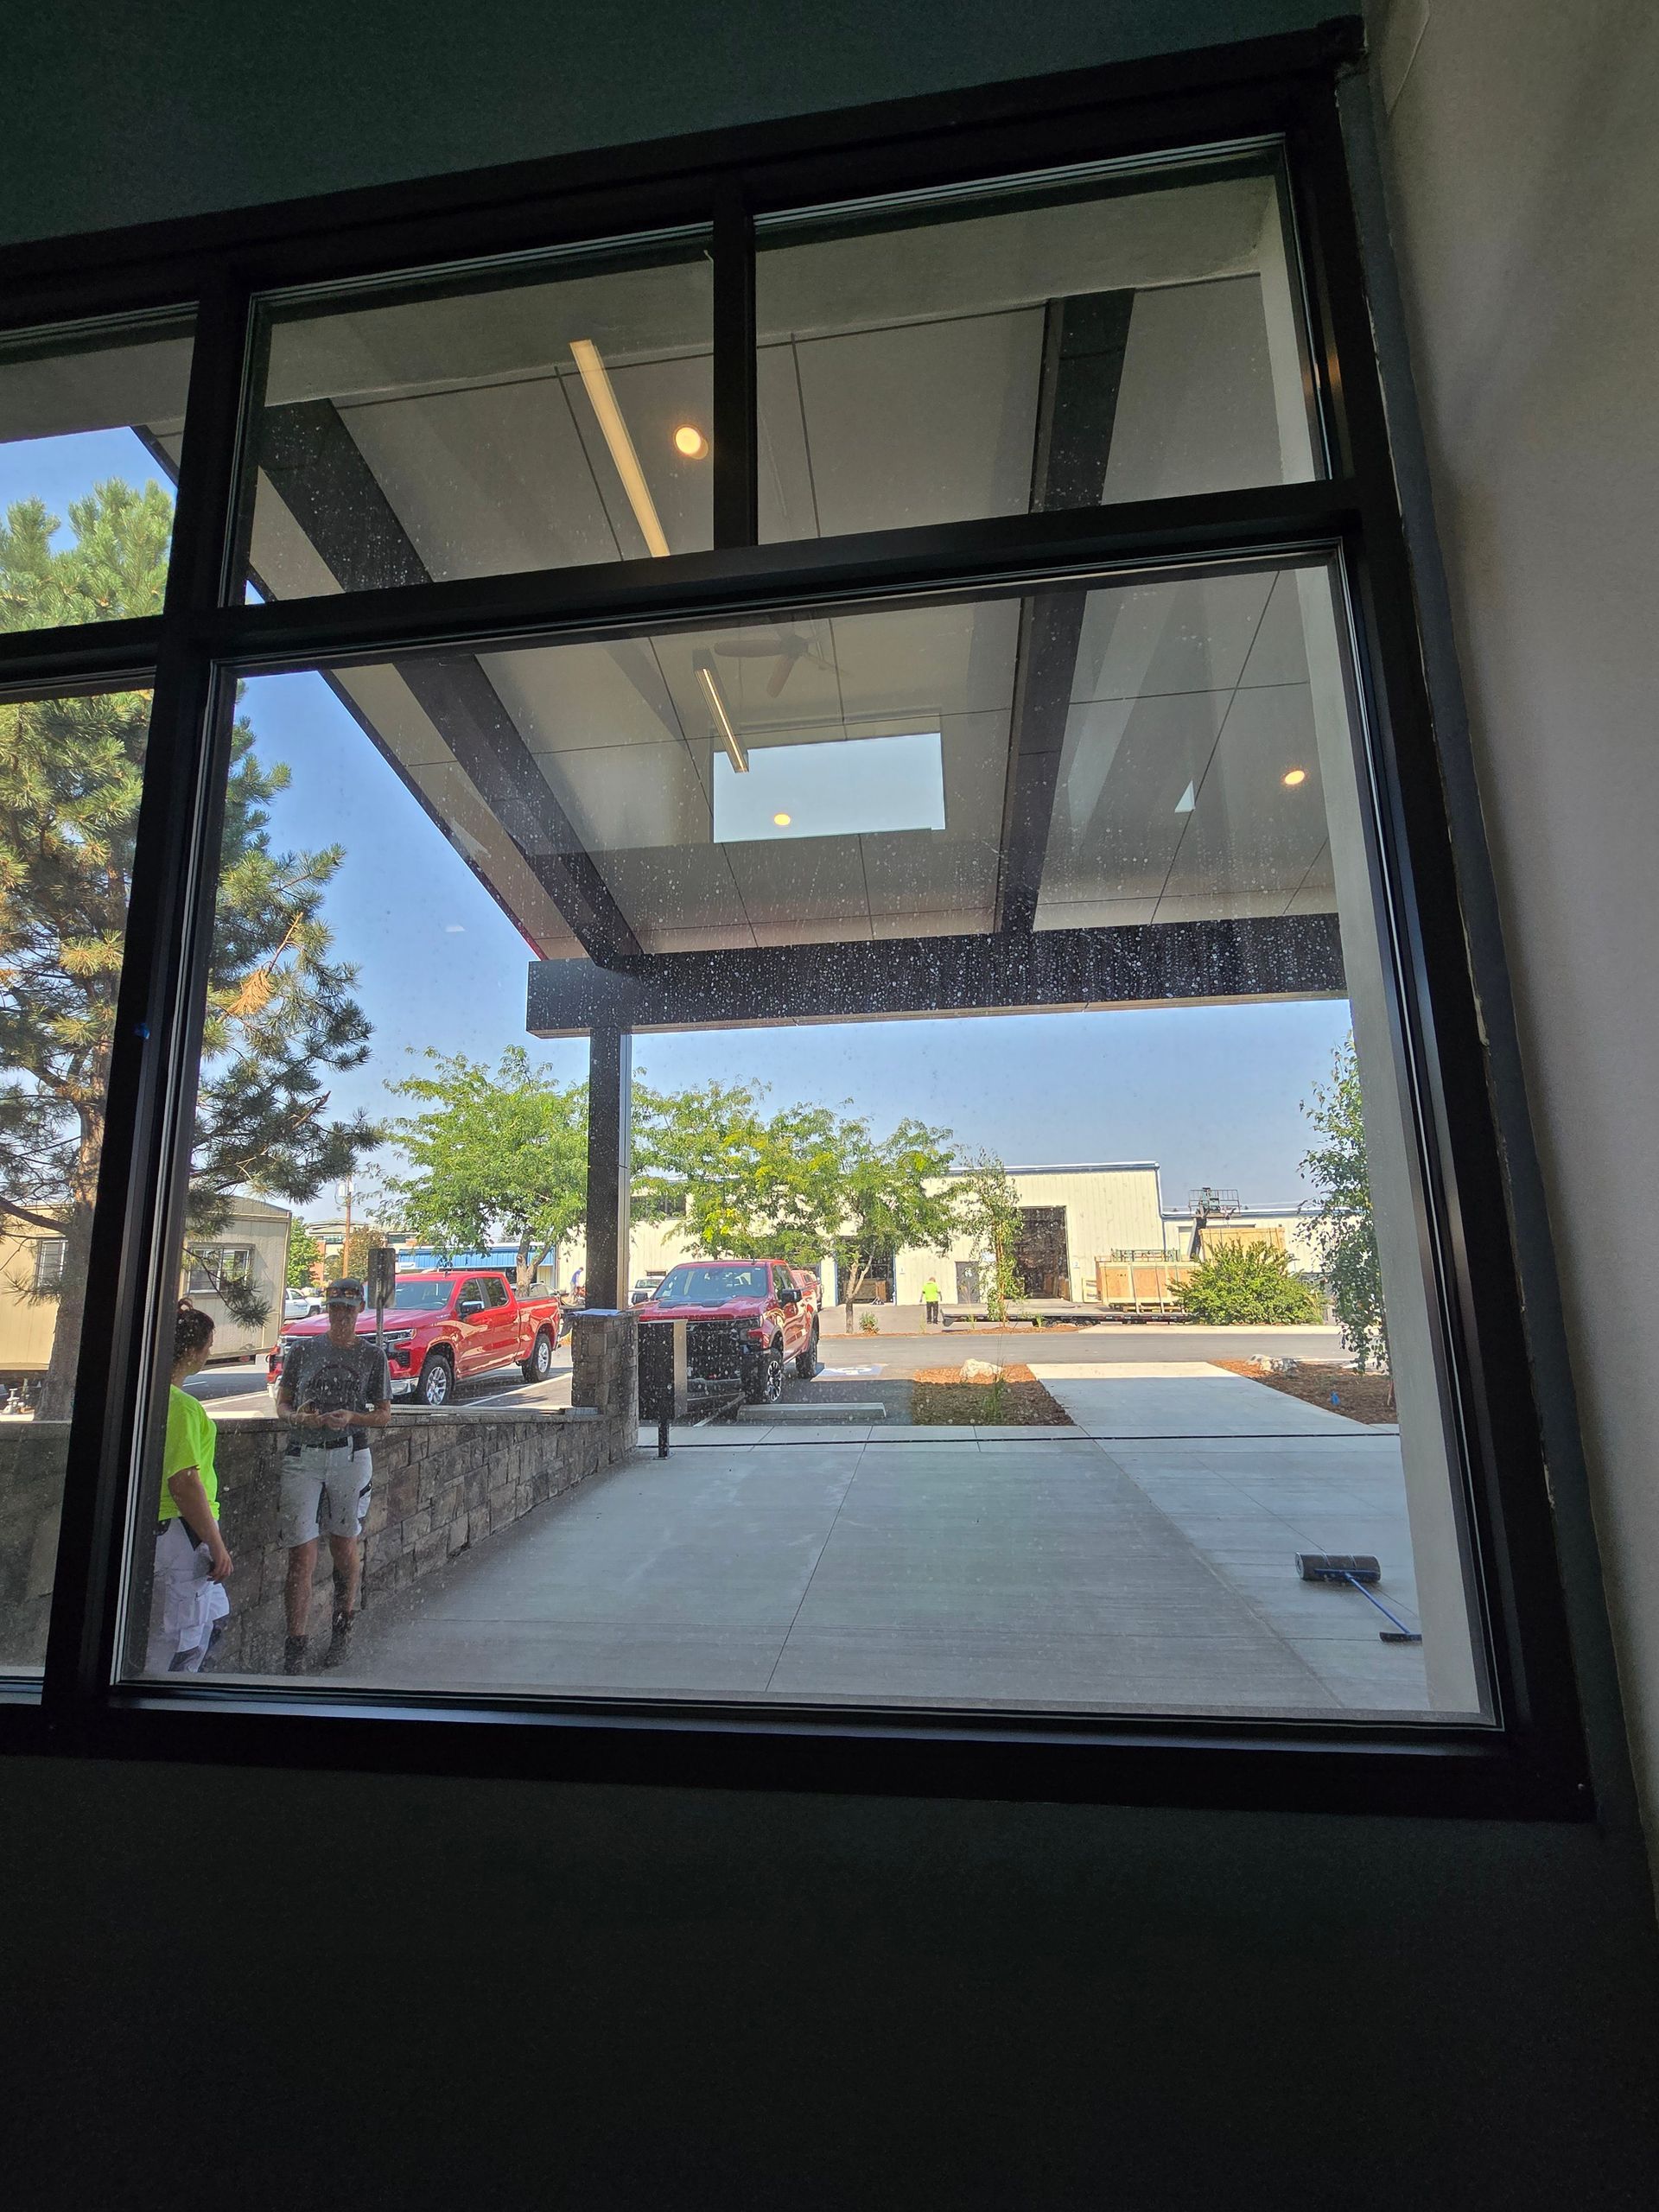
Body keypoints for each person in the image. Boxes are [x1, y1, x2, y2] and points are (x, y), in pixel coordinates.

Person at [275, 1278, 391, 1675]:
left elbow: (384, 1413)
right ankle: (296, 1644)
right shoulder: (304, 1349)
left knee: (344, 1544)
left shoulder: (372, 1356)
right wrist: (299, 1417)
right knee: (301, 1553)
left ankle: (342, 1626)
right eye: (335, 1308)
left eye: (348, 1308)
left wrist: (352, 1417)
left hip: (350, 1453)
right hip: (303, 1453)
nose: (341, 1315)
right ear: (327, 1309)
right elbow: (283, 1404)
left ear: (359, 1310)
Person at [146, 1301, 232, 1675]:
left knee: (208, 1623)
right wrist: (214, 1542)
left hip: (169, 1530)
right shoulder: (181, 1407)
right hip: (182, 1532)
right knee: (182, 1640)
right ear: (194, 1351)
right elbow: (184, 1481)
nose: (210, 1351)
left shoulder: (150, 1395)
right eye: (209, 1344)